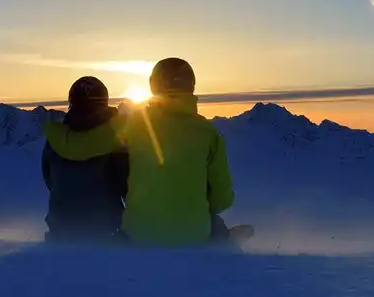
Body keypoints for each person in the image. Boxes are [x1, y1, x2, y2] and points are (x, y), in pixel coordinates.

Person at [42, 57, 236, 247]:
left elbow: (80, 148)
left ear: (154, 85)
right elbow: (223, 198)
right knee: (211, 220)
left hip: (138, 234)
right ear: (191, 86)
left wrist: (53, 130)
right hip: (195, 235)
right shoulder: (208, 133)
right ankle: (224, 237)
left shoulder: (133, 124)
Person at [41, 76, 128, 241]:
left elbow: (49, 179)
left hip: (60, 231)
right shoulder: (115, 138)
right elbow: (124, 184)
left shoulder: (56, 138)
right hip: (107, 230)